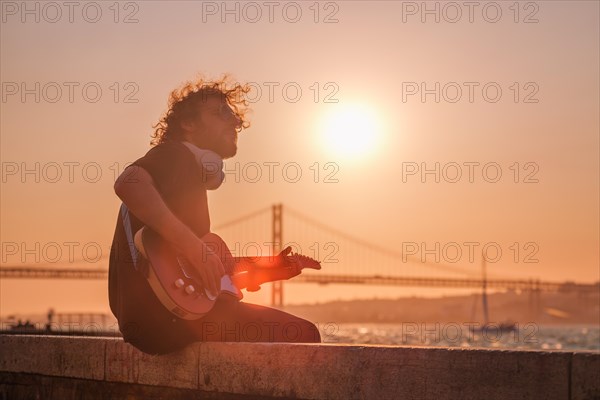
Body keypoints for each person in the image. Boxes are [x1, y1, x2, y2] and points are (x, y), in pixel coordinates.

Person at [108, 76, 321, 355]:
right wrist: (193, 245)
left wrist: (268, 269)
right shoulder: (177, 155)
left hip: (161, 323)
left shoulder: (178, 180)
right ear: (189, 124)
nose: (235, 122)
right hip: (173, 321)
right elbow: (128, 183)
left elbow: (188, 281)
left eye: (234, 116)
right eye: (221, 113)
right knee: (304, 334)